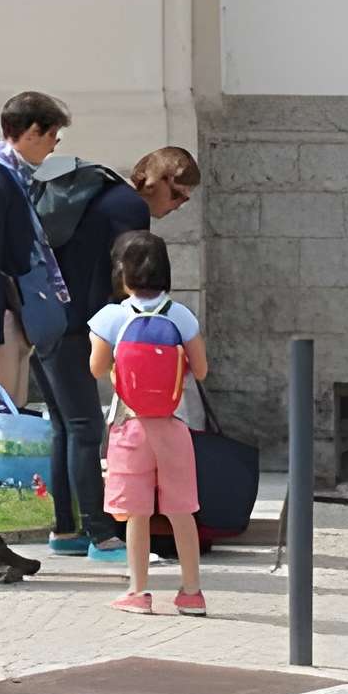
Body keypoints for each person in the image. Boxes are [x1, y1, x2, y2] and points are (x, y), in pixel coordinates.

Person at [38, 146, 202, 563]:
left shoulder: (104, 195)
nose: (181, 205)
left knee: (64, 426)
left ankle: (65, 529)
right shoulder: (130, 209)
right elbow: (131, 280)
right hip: (78, 325)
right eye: (179, 193)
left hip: (44, 317)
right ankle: (101, 535)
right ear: (159, 180)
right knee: (85, 427)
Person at [0, 88, 72, 583]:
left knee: (5, 434)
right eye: (51, 136)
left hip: (9, 318)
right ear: (29, 133)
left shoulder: (10, 179)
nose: (54, 146)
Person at [90, 228, 209, 617]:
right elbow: (202, 370)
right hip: (173, 423)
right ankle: (191, 592)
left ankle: (138, 592)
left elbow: (96, 368)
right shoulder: (181, 315)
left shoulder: (111, 317)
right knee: (181, 510)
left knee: (136, 513)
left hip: (129, 424)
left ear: (122, 273)